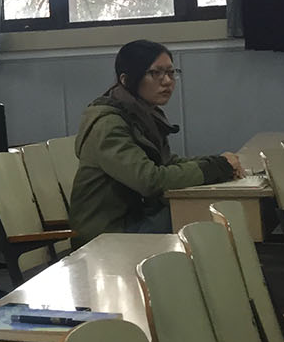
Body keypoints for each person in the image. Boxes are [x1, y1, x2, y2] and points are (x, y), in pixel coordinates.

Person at [71, 40, 242, 242]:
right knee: (201, 216)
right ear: (126, 80)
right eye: (155, 73)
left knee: (205, 214)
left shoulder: (143, 114)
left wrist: (218, 163)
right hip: (109, 234)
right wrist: (216, 168)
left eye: (171, 72)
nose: (167, 81)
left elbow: (166, 163)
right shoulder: (108, 124)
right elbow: (149, 180)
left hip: (139, 218)